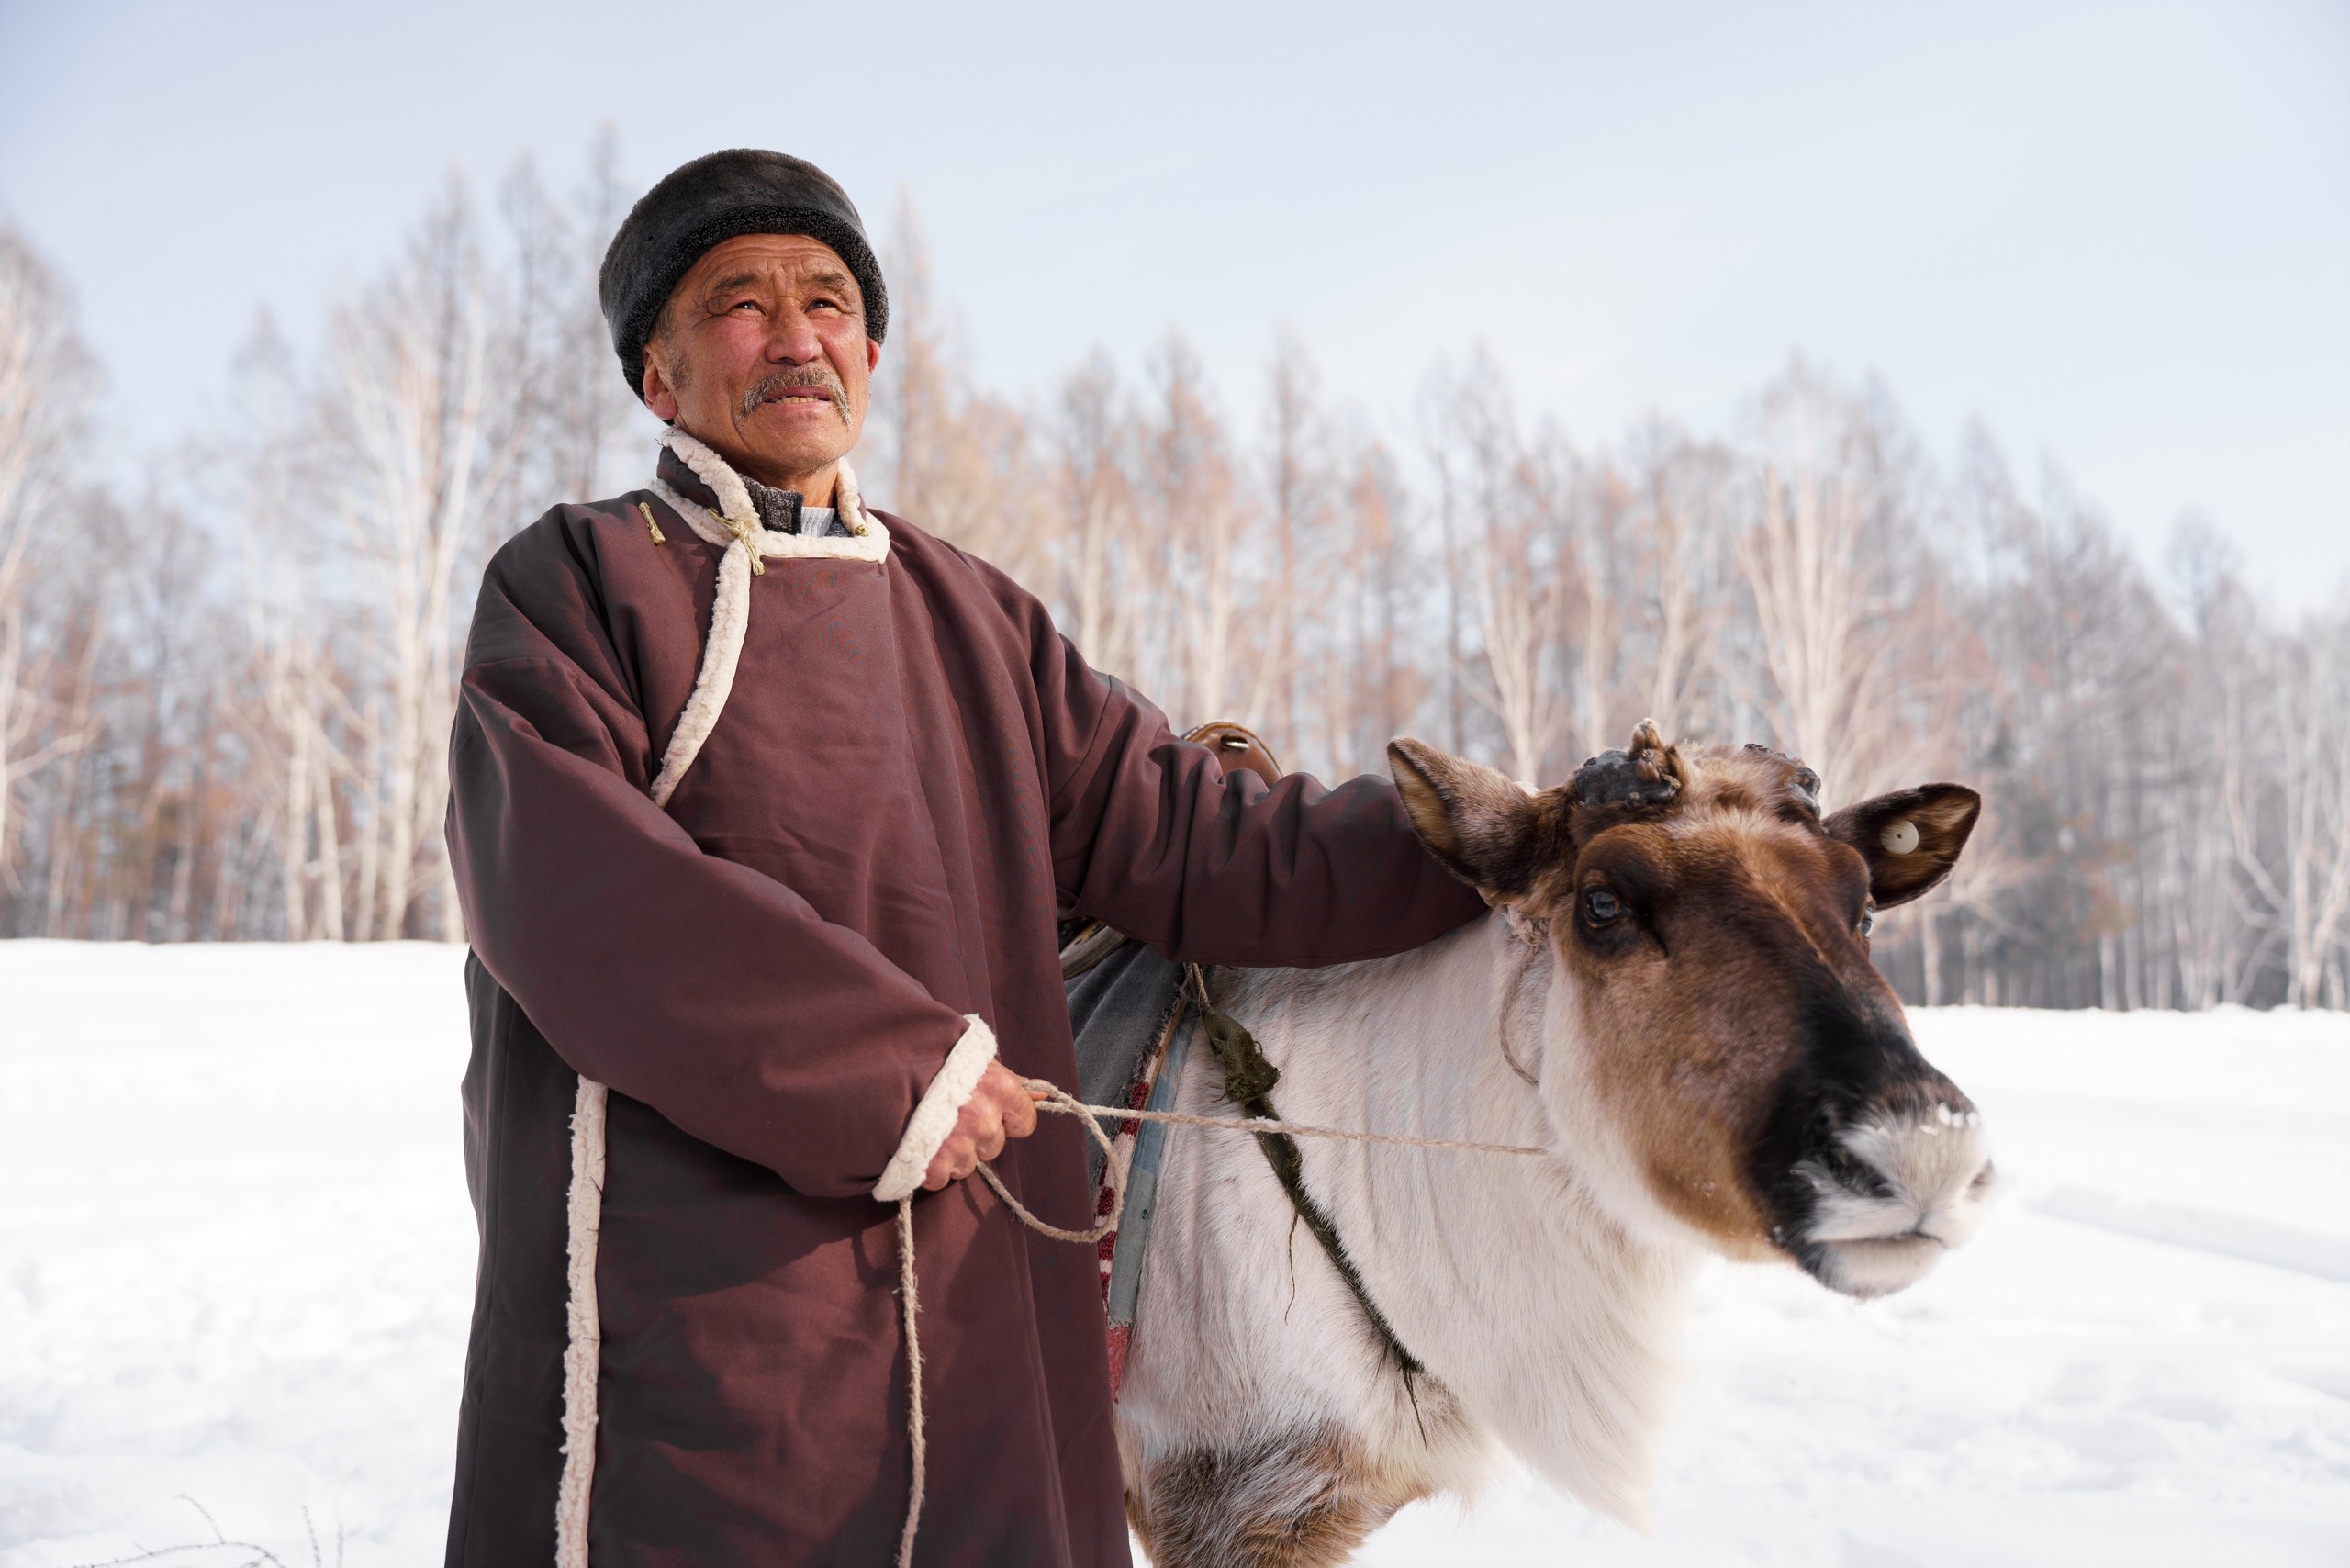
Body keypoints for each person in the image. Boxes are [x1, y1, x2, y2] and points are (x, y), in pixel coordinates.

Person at [442, 148, 1483, 1567]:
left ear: (871, 353)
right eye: (739, 303)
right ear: (659, 378)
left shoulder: (974, 619)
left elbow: (1197, 836)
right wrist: (896, 1072)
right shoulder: (582, 584)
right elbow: (576, 894)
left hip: (988, 1297)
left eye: (828, 301)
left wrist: (1496, 842)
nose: (797, 333)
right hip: (704, 1307)